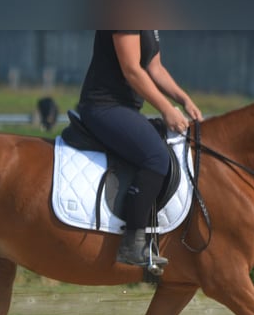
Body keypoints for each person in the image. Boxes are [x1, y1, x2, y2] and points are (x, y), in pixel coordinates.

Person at [77, 30, 202, 268]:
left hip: (126, 108)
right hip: (104, 106)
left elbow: (155, 67)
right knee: (156, 157)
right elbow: (132, 69)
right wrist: (167, 109)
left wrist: (184, 99)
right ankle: (132, 243)